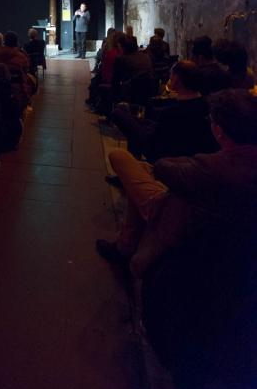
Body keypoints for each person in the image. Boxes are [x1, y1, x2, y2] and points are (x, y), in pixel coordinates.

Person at [96, 89, 257, 279]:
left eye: (211, 121)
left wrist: (180, 164)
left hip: (173, 212)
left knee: (121, 158)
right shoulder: (239, 161)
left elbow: (163, 168)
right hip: (201, 216)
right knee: (141, 170)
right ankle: (126, 244)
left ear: (219, 131)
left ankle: (125, 248)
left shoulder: (214, 167)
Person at [110, 60, 217, 162]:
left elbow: (156, 139)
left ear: (176, 79)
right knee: (137, 119)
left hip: (162, 151)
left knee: (118, 114)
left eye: (171, 75)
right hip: (186, 148)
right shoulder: (207, 105)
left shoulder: (172, 113)